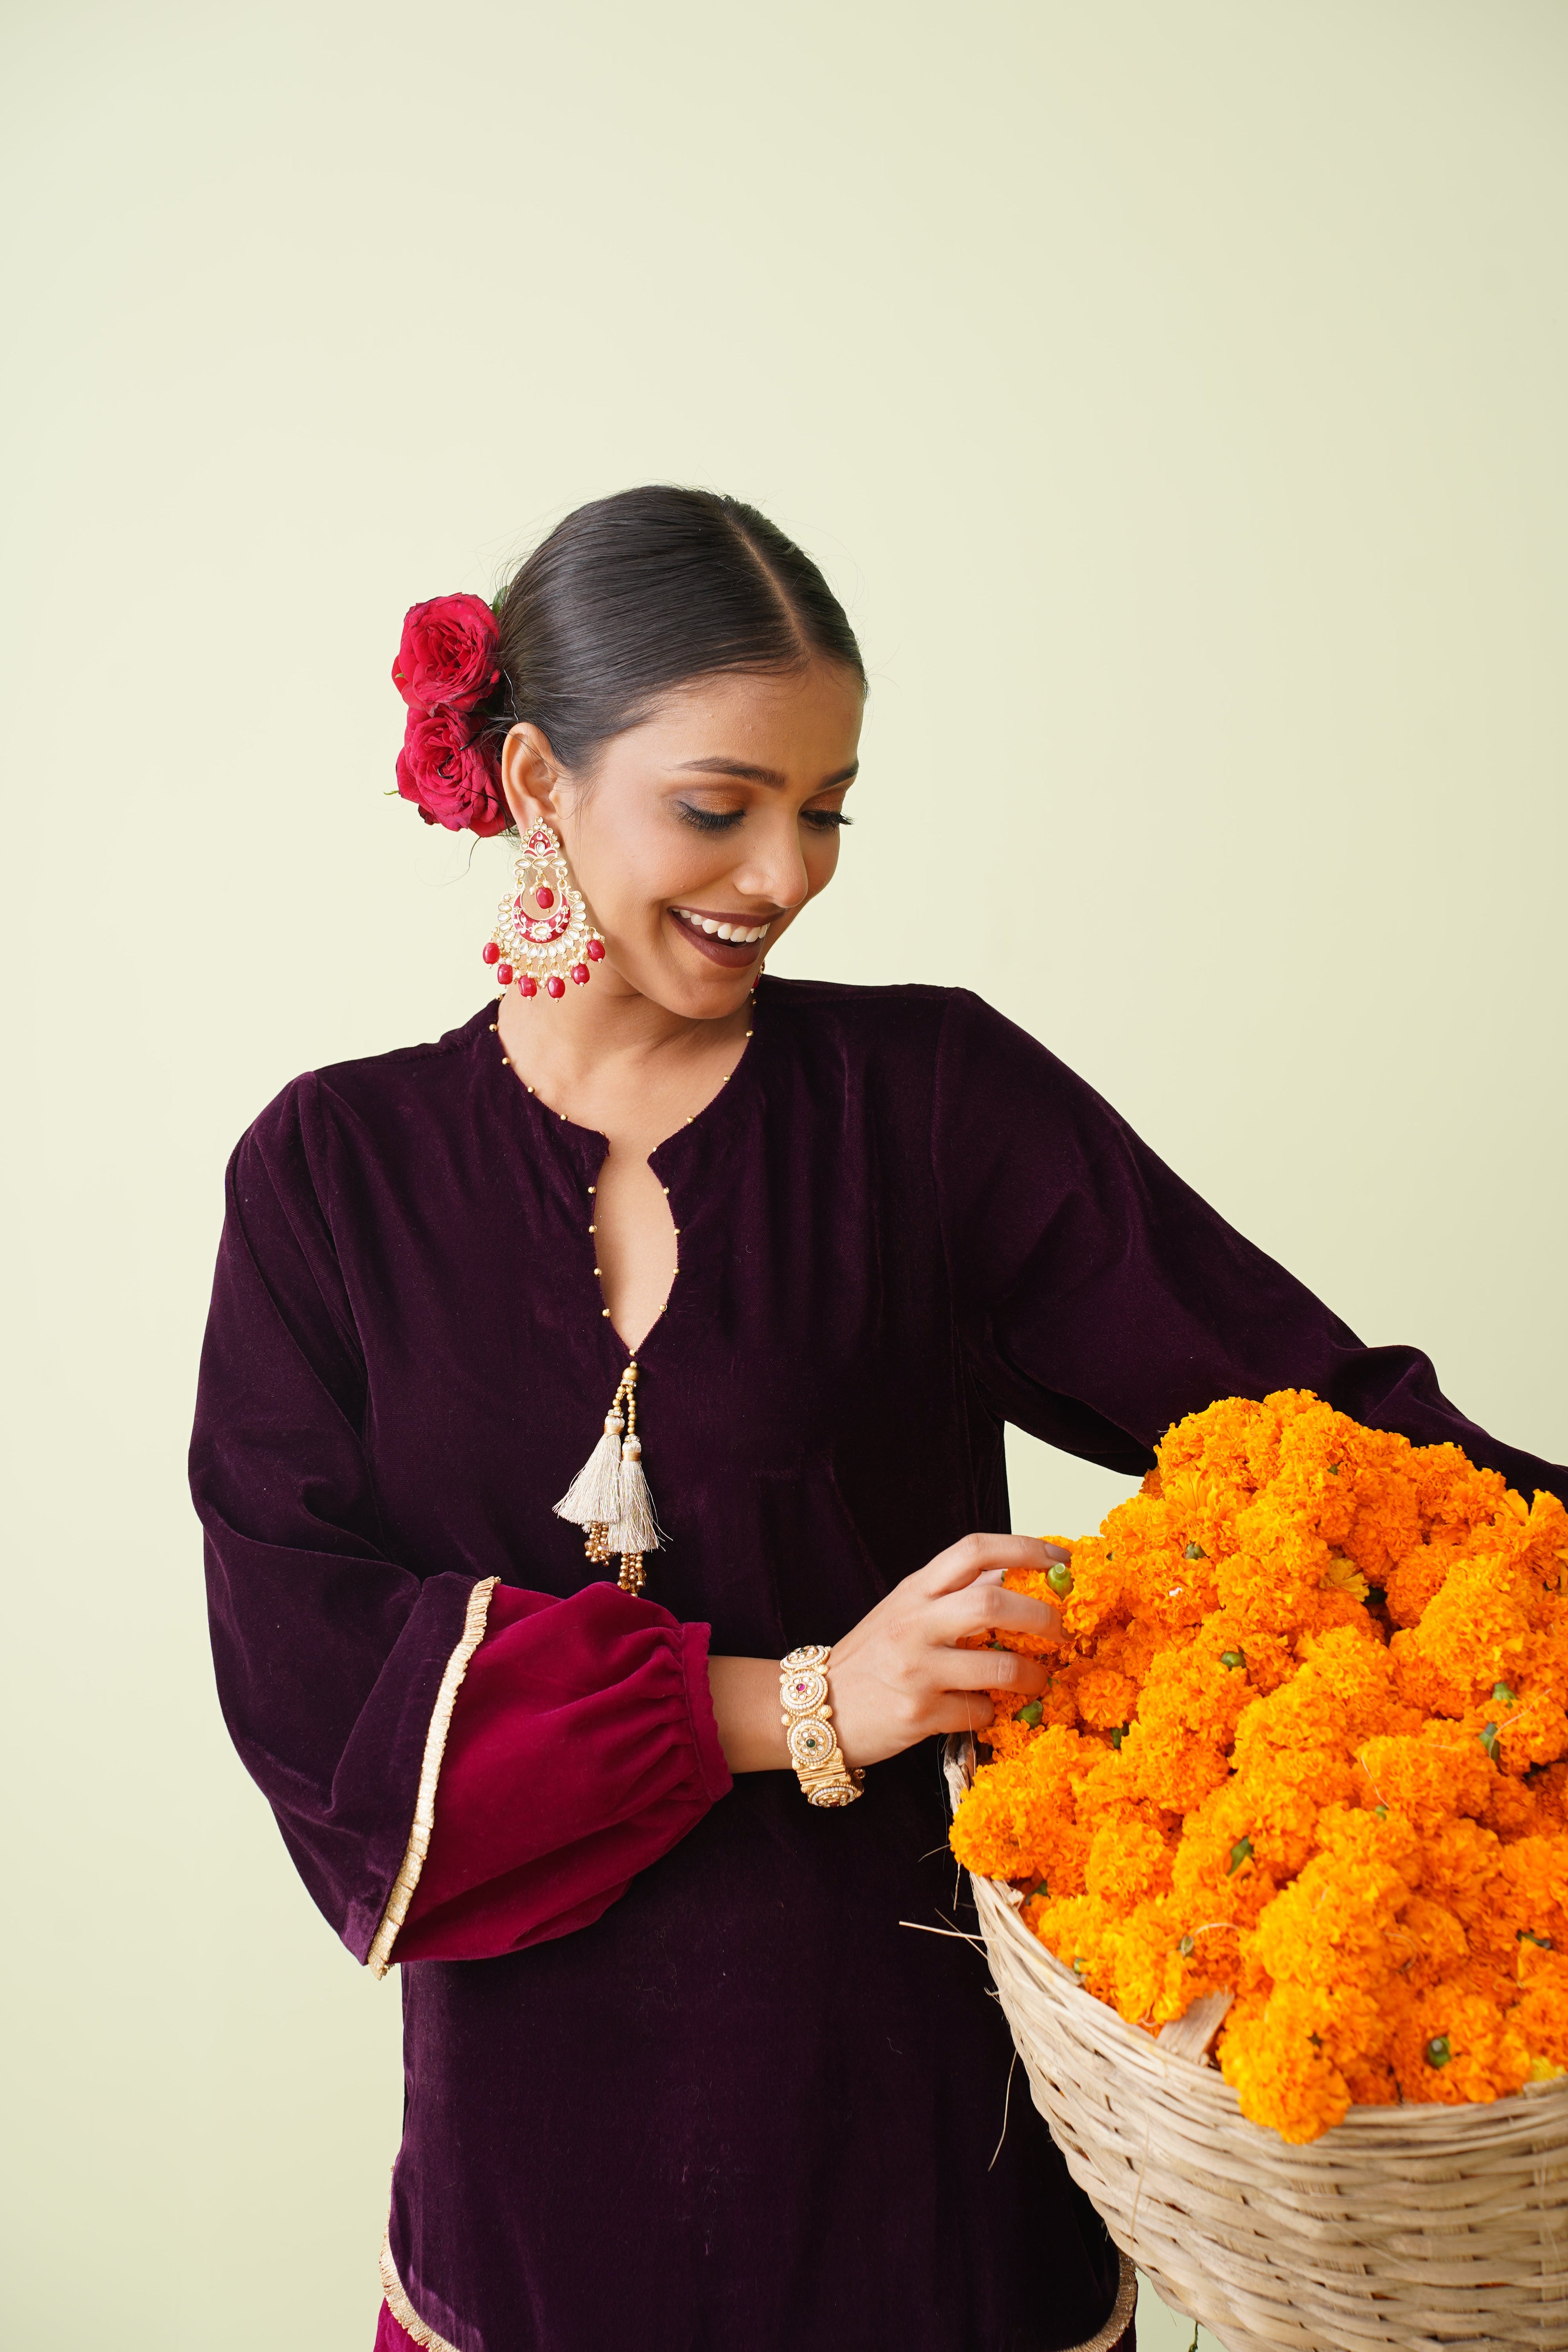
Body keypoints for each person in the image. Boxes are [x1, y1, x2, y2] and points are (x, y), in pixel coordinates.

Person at [189, 486, 1566, 2352]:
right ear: (533, 783)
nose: (785, 872)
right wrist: (808, 1697)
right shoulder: (329, 1176)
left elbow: (1321, 1428)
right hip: (537, 2197)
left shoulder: (933, 1102)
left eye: (825, 808)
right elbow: (313, 1682)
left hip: (933, 2164)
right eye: (718, 804)